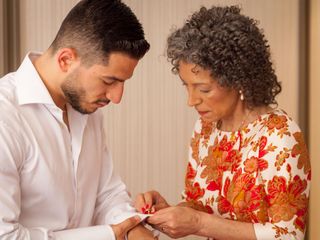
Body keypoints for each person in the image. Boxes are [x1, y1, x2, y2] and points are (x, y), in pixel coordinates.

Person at [135, 5, 311, 240]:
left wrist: (198, 224)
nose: (191, 100)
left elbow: (289, 235)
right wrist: (172, 212)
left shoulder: (279, 138)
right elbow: (204, 208)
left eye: (203, 89)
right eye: (186, 86)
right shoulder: (205, 128)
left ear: (238, 79)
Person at [0, 0, 157, 239]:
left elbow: (106, 193)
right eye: (108, 81)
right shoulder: (6, 117)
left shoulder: (85, 105)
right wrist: (108, 234)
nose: (116, 97)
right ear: (66, 60)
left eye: (122, 82)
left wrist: (134, 227)